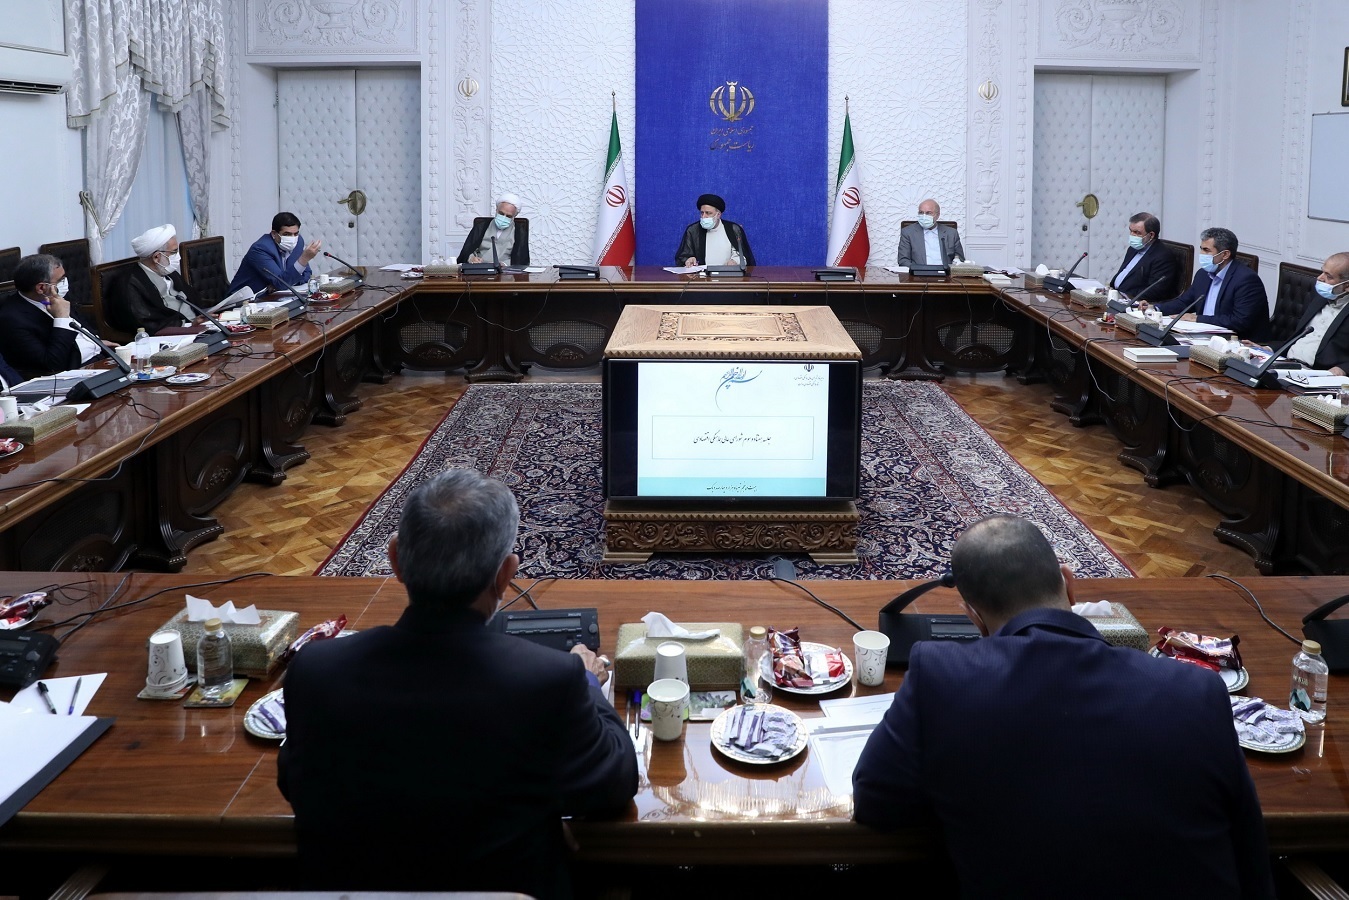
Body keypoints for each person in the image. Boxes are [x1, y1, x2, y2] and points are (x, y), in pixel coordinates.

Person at [853, 515, 1274, 899]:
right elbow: (1250, 852)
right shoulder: (1198, 690)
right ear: (1070, 585)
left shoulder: (942, 674)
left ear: (974, 618)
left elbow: (875, 802)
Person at [278, 468, 637, 898]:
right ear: (506, 574)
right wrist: (588, 682)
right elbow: (615, 784)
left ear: (395, 559)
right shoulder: (551, 680)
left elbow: (296, 784)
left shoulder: (315, 670)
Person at [1144, 227, 1268, 338]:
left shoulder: (1246, 279)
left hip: (1235, 341)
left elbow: (1240, 321)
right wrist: (1154, 308)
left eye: (1207, 250)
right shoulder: (1203, 274)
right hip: (1201, 335)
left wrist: (1198, 319)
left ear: (1225, 254)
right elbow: (1184, 302)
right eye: (1201, 249)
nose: (1202, 254)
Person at [0, 254, 105, 380]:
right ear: (41, 288)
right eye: (61, 280)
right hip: (73, 373)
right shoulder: (12, 319)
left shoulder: (53, 296)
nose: (65, 282)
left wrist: (96, 341)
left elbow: (83, 327)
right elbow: (53, 364)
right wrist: (62, 318)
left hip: (100, 356)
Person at [1259, 251, 1349, 374]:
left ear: (1347, 286)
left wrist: (1343, 369)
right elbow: (1297, 339)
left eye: (1329, 276)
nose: (1320, 278)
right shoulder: (1319, 298)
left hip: (1318, 374)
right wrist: (1266, 349)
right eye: (1322, 271)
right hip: (1287, 363)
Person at [104, 224, 203, 335]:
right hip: (175, 334)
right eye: (174, 252)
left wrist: (205, 316)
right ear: (156, 257)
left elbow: (192, 298)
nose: (178, 256)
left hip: (199, 326)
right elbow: (144, 322)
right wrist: (187, 325)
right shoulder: (130, 284)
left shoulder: (169, 272)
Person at [228, 212, 322, 295]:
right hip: (244, 302)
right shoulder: (260, 249)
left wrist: (282, 284)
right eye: (287, 234)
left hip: (275, 297)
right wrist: (304, 259)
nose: (293, 238)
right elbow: (282, 283)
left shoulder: (298, 242)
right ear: (274, 234)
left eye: (296, 234)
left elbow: (307, 274)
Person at [1109, 211, 1178, 299]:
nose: (1132, 235)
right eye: (1131, 231)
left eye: (1137, 232)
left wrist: (1124, 295)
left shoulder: (1163, 256)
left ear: (1151, 235)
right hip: (1115, 294)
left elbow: (1156, 291)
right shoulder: (1132, 249)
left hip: (1132, 300)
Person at [676, 193, 755, 267]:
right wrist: (688, 260)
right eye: (702, 213)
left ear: (718, 215)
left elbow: (743, 255)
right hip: (701, 276)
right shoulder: (693, 230)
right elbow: (683, 256)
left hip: (728, 275)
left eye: (708, 213)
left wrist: (735, 261)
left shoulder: (733, 229)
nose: (704, 216)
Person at [457, 193, 530, 266]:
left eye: (508, 216)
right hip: (480, 268)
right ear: (496, 210)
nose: (504, 218)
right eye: (501, 213)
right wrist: (471, 258)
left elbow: (521, 259)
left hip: (505, 270)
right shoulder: (481, 227)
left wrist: (504, 264)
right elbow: (467, 251)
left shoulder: (519, 232)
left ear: (514, 216)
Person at [896, 199, 964, 268]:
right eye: (921, 212)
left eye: (928, 213)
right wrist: (917, 270)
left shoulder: (951, 233)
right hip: (919, 273)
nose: (924, 216)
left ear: (938, 215)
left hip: (945, 273)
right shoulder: (908, 232)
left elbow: (960, 259)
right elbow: (903, 260)